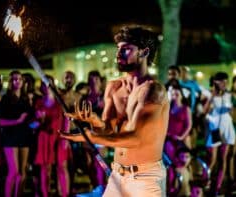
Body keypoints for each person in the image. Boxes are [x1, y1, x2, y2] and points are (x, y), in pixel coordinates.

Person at [60, 26, 169, 197]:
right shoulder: (114, 87)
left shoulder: (153, 91)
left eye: (126, 49)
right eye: (118, 48)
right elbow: (108, 129)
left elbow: (136, 139)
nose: (118, 53)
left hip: (146, 177)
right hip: (118, 175)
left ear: (144, 52)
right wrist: (94, 121)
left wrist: (90, 137)